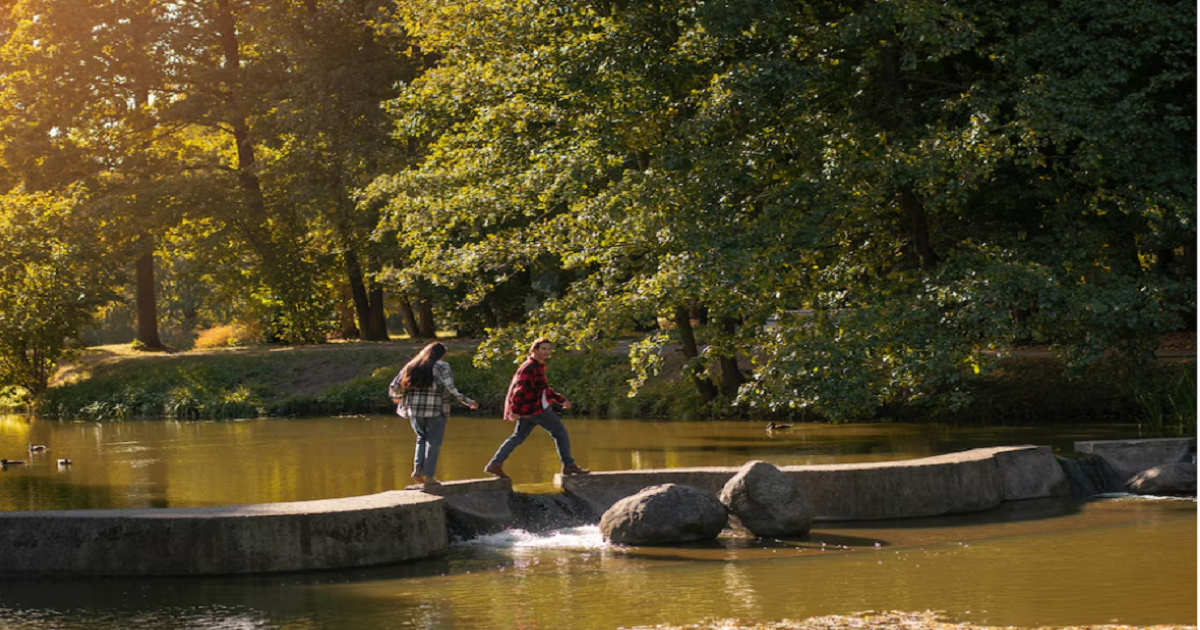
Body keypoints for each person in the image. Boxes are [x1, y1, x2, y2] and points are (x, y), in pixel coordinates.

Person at [484, 337, 589, 479]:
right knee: (560, 433)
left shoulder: (536, 365)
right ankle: (569, 465)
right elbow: (519, 389)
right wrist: (514, 409)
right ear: (534, 350)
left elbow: (543, 388)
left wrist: (560, 399)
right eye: (543, 349)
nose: (547, 352)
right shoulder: (530, 367)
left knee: (518, 436)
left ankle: (495, 464)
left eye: (548, 349)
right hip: (535, 408)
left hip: (529, 408)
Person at [389, 342, 478, 487]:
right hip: (436, 409)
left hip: (415, 410)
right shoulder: (442, 366)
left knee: (421, 438)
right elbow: (450, 388)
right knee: (433, 443)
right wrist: (468, 402)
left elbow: (395, 386)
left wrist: (397, 397)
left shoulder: (412, 365)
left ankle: (418, 471)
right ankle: (429, 476)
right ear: (441, 354)